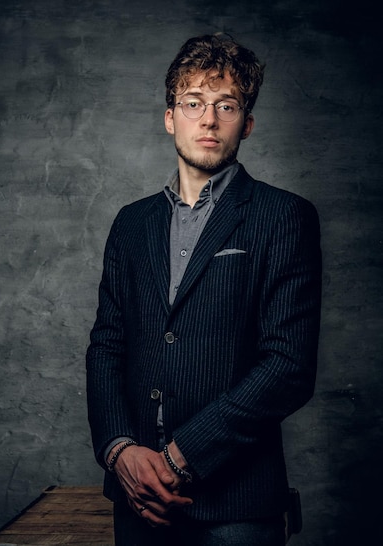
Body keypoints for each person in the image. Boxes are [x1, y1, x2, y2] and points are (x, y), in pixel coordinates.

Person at [85, 33, 322, 545]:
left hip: (236, 505)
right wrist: (120, 450)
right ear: (170, 117)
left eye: (226, 105)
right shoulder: (131, 224)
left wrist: (180, 455)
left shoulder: (283, 217)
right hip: (138, 498)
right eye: (193, 103)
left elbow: (288, 367)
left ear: (247, 123)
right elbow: (107, 345)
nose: (208, 119)